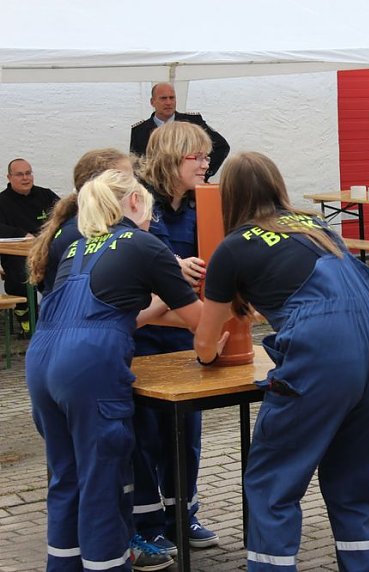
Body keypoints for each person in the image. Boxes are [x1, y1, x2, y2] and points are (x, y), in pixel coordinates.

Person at [193, 151, 369, 572]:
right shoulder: (316, 226)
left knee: (273, 482)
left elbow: (205, 341)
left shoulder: (233, 247)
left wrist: (210, 353)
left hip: (324, 348)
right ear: (277, 185)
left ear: (228, 196)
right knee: (356, 482)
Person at [25, 169, 205, 571]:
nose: (152, 221)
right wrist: (227, 323)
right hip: (88, 365)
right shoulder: (143, 244)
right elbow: (200, 323)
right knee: (103, 480)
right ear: (135, 202)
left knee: (67, 477)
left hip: (41, 361)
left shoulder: (76, 247)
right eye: (151, 213)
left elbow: (119, 314)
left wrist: (165, 302)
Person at [132, 120, 219, 554]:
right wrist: (171, 267)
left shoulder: (204, 203)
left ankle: (183, 515)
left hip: (186, 333)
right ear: (170, 158)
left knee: (185, 432)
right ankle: (147, 524)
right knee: (144, 435)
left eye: (207, 157)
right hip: (145, 337)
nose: (205, 164)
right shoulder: (140, 202)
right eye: (196, 157)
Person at [28, 148, 133, 293]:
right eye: (125, 180)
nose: (134, 187)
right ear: (100, 186)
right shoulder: (78, 232)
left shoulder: (102, 225)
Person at [0, 158, 59, 334]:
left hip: (49, 249)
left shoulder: (46, 195)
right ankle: (25, 312)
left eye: (28, 173)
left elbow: (65, 213)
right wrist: (21, 234)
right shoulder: (2, 202)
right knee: (21, 271)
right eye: (20, 174)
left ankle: (57, 314)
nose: (25, 178)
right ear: (9, 177)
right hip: (17, 255)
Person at [130, 82, 230, 181]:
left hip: (189, 187)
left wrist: (202, 173)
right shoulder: (139, 131)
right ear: (152, 102)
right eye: (163, 98)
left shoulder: (193, 122)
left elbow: (221, 147)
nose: (168, 102)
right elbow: (136, 164)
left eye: (172, 98)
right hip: (154, 186)